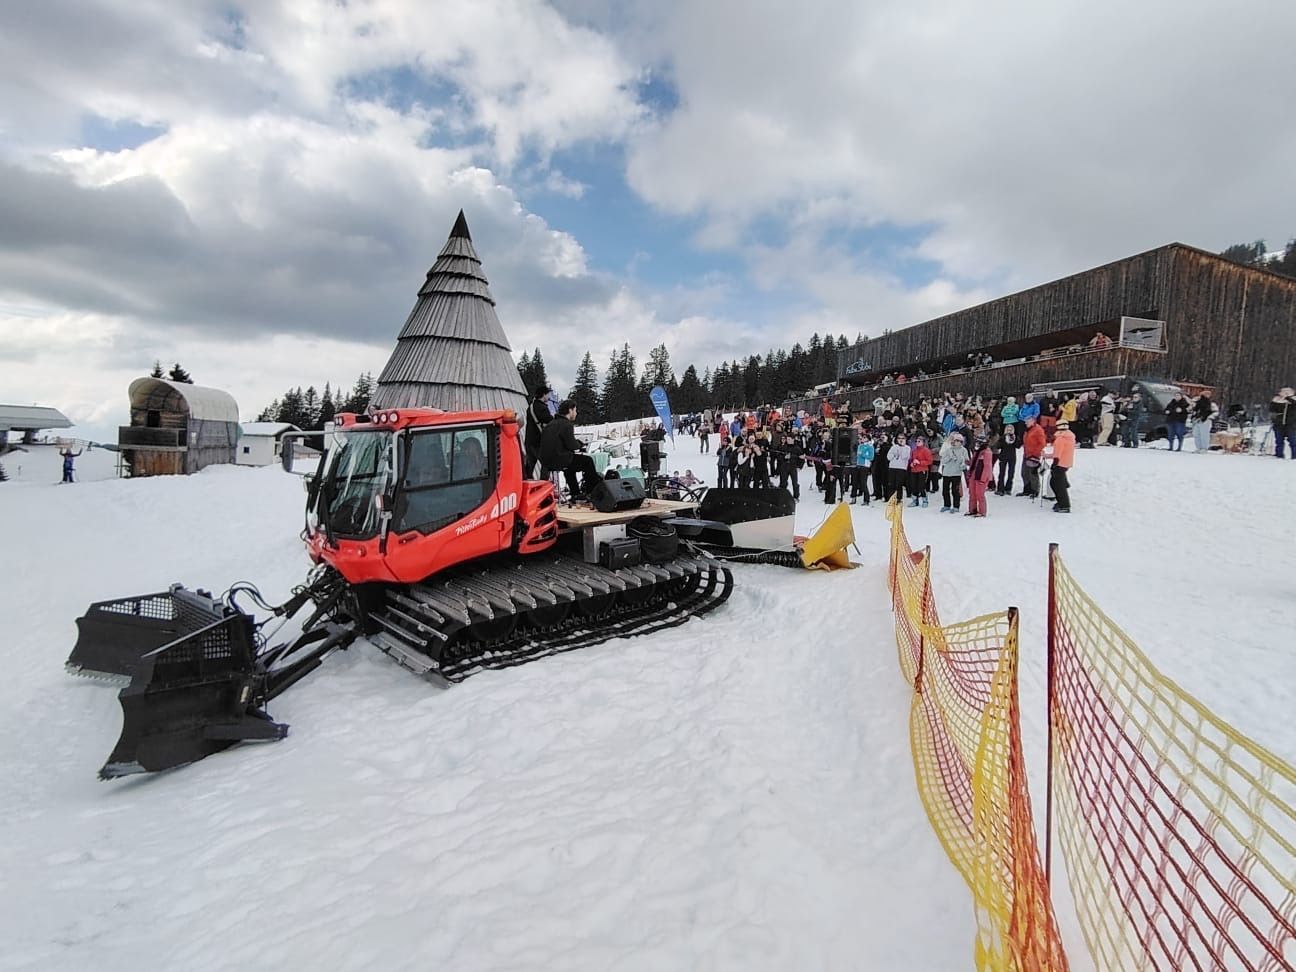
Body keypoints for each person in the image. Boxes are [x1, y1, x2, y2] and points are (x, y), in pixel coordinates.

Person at [539, 400, 598, 500]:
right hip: (559, 459)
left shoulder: (550, 424)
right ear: (570, 410)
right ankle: (592, 491)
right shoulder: (566, 425)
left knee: (571, 463)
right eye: (575, 410)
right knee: (587, 461)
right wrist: (580, 443)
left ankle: (575, 492)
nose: (576, 413)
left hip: (546, 462)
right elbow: (572, 445)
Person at [523, 384, 552, 479]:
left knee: (530, 464)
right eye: (548, 394)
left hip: (529, 440)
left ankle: (527, 481)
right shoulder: (542, 408)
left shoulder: (530, 407)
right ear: (544, 394)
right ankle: (543, 484)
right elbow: (549, 420)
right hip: (538, 441)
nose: (549, 397)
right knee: (546, 462)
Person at [938, 433, 968, 513]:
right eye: (954, 440)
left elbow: (966, 461)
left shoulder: (964, 450)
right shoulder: (949, 450)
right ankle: (946, 505)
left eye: (958, 441)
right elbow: (943, 460)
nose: (955, 442)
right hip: (947, 473)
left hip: (956, 473)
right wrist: (949, 457)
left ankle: (956, 506)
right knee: (945, 490)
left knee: (955, 491)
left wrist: (963, 464)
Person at [1050, 420, 1076, 512]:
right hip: (1066, 463)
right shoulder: (1070, 437)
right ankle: (1062, 501)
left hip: (1060, 464)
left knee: (1056, 484)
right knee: (1058, 483)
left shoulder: (1060, 439)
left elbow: (1058, 453)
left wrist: (1054, 464)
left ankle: (1064, 505)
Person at [965, 436, 994, 517]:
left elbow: (987, 466)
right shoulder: (977, 451)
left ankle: (982, 511)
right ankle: (972, 509)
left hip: (981, 476)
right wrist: (968, 463)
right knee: (972, 493)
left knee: (979, 494)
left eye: (978, 442)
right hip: (973, 475)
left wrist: (983, 478)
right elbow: (974, 462)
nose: (977, 444)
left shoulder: (987, 452)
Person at [1019, 415, 1045, 497]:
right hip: (1026, 453)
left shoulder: (1038, 430)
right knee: (1024, 472)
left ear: (1033, 421)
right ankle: (1027, 489)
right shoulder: (1027, 430)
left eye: (1027, 421)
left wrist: (1035, 454)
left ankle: (1035, 490)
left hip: (1034, 455)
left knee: (1033, 473)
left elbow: (1042, 443)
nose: (1025, 422)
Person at [775, 433, 803, 500]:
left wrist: (799, 466)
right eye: (787, 439)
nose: (788, 441)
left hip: (793, 467)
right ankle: (782, 496)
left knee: (795, 483)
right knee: (783, 482)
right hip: (784, 467)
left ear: (793, 439)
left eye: (789, 439)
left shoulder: (797, 448)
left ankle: (796, 496)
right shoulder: (783, 447)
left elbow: (801, 458)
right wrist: (784, 457)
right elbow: (778, 456)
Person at [907, 436, 932, 507]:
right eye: (916, 441)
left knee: (921, 486)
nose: (917, 443)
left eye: (919, 441)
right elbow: (912, 459)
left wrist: (920, 462)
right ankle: (915, 500)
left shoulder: (926, 450)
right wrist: (912, 463)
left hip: (922, 470)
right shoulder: (914, 450)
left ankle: (925, 500)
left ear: (923, 442)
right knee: (914, 485)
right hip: (914, 470)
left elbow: (929, 461)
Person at [1272, 387, 1296, 458]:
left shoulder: (1294, 400)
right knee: (1279, 441)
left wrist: (1288, 398)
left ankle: (1294, 456)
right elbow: (1272, 409)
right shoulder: (1277, 400)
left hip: (1291, 424)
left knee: (1293, 441)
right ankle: (1279, 455)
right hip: (1278, 424)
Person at [994, 424, 1018, 496]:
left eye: (1010, 429)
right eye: (1008, 429)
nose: (1009, 431)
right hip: (1003, 457)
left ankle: (1008, 488)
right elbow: (998, 446)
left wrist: (1014, 439)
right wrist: (1002, 440)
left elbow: (1018, 446)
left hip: (1012, 457)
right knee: (1001, 473)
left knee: (1011, 473)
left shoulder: (1015, 438)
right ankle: (1000, 489)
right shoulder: (1002, 438)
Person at [886, 433, 911, 503]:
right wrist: (895, 453)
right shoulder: (894, 447)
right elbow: (889, 457)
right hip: (892, 467)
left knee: (898, 484)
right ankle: (891, 498)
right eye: (899, 438)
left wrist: (902, 448)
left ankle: (899, 498)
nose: (901, 440)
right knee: (891, 484)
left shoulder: (907, 448)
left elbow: (904, 456)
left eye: (902, 438)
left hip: (901, 468)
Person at [851, 435, 874, 505]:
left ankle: (866, 499)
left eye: (864, 438)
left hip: (865, 466)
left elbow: (871, 457)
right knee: (854, 482)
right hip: (857, 465)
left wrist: (862, 454)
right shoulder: (860, 446)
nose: (863, 439)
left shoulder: (870, 447)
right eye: (862, 438)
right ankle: (853, 497)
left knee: (863, 483)